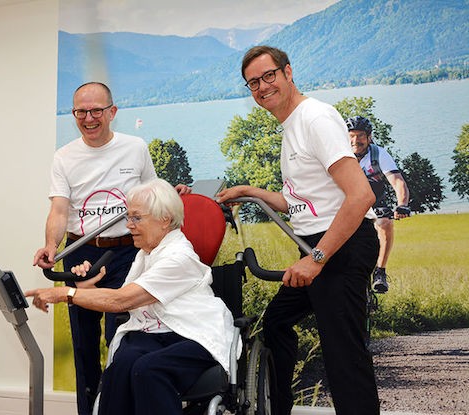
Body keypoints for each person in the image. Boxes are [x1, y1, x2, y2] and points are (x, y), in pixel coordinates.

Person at [216, 46, 380, 415]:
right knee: (276, 323)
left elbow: (361, 195)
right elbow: (303, 202)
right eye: (253, 83)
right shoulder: (292, 125)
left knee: (344, 357)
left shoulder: (315, 118)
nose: (261, 87)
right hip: (317, 249)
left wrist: (317, 259)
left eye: (268, 76)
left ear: (288, 72)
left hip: (339, 247)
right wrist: (249, 192)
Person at [32, 82, 189, 415]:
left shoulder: (135, 148)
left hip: (128, 253)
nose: (88, 118)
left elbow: (153, 192)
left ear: (112, 112)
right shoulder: (64, 157)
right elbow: (59, 210)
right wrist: (50, 245)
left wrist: (173, 193)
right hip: (81, 253)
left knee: (123, 336)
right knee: (83, 345)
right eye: (80, 112)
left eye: (96, 111)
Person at [27, 178, 236, 415]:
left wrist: (66, 293)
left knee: (148, 370)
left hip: (191, 334)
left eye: (136, 218)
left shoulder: (178, 257)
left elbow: (121, 301)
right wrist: (84, 288)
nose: (129, 225)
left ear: (165, 219)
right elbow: (122, 300)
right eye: (128, 217)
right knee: (120, 367)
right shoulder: (147, 253)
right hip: (154, 333)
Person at [346, 116, 410, 293]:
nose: (355, 140)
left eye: (360, 135)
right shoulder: (339, 155)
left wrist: (402, 204)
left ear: (369, 137)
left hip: (374, 205)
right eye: (351, 135)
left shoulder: (378, 154)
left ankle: (380, 271)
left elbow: (397, 181)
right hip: (346, 205)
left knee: (385, 222)